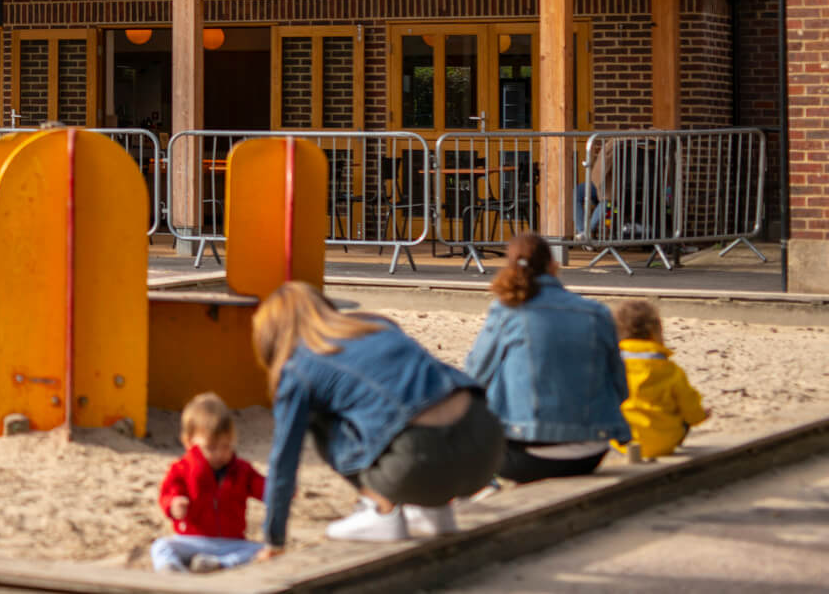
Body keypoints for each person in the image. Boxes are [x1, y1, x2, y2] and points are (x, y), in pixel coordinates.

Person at [255, 282, 502, 548]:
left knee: (320, 419)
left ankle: (380, 509)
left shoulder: (298, 368)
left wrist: (274, 539)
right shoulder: (377, 325)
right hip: (486, 446)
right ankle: (434, 512)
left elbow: (284, 458)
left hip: (422, 462)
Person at [464, 232, 629, 484]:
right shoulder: (597, 313)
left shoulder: (507, 311)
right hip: (592, 451)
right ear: (554, 266)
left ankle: (488, 486)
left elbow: (476, 375)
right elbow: (620, 384)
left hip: (528, 455)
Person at [151, 392, 266, 573]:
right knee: (161, 546)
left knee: (262, 550)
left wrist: (279, 490)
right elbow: (167, 493)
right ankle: (171, 569)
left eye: (226, 446)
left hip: (232, 542)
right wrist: (174, 505)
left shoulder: (242, 470)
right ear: (189, 442)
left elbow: (263, 488)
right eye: (211, 447)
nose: (220, 454)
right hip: (191, 539)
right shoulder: (182, 469)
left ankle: (218, 564)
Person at [612, 299, 707, 460]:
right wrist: (701, 415)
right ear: (655, 332)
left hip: (620, 443)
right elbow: (691, 410)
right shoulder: (669, 369)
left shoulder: (612, 367)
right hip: (664, 443)